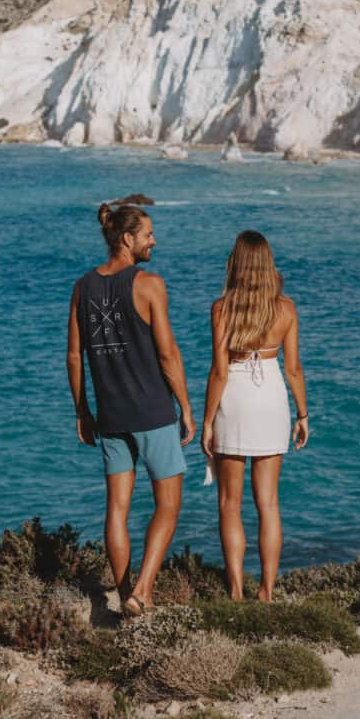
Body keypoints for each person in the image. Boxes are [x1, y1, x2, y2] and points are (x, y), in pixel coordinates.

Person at [66, 195, 196, 617]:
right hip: (153, 411)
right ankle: (142, 590)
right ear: (127, 238)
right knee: (169, 504)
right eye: (148, 235)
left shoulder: (82, 287)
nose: (154, 242)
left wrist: (82, 412)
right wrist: (187, 407)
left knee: (116, 509)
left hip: (111, 415)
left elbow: (73, 356)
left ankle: (124, 599)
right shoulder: (149, 284)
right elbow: (167, 355)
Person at [201, 230, 308, 601]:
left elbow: (219, 373)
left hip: (236, 398)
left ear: (236, 262)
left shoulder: (222, 309)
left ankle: (235, 590)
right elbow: (293, 368)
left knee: (230, 503)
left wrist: (208, 422)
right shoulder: (286, 309)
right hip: (272, 397)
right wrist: (302, 414)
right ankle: (267, 591)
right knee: (269, 503)